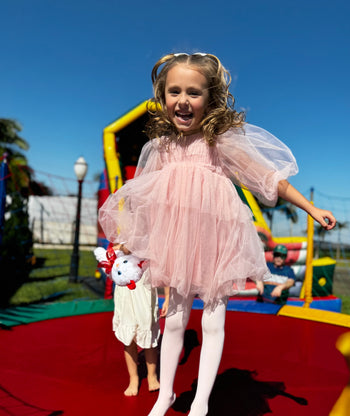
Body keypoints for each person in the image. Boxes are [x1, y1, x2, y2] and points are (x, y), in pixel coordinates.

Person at [99, 52, 336, 416]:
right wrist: (130, 236)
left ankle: (201, 402)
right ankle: (166, 395)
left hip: (216, 241)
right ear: (162, 97)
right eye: (174, 91)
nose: (182, 100)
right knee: (174, 318)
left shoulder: (219, 142)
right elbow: (141, 196)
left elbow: (270, 179)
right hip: (177, 242)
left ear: (210, 99)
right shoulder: (160, 147)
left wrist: (311, 208)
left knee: (213, 319)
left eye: (193, 93)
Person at [112, 244, 169, 397]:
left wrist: (168, 298)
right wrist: (119, 248)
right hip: (125, 288)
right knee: (128, 337)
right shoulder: (120, 235)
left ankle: (152, 375)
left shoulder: (149, 238)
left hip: (143, 288)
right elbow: (112, 254)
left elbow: (163, 267)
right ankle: (134, 378)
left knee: (148, 334)